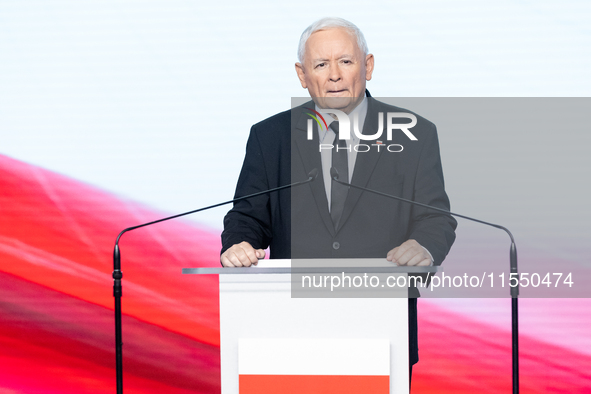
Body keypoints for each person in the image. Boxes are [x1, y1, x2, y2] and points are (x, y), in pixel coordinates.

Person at [221, 17, 456, 378]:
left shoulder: (415, 134)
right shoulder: (271, 137)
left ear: (369, 66)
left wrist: (423, 246)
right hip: (289, 329)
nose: (334, 75)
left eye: (345, 61)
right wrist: (238, 243)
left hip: (382, 325)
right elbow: (247, 218)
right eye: (320, 64)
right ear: (302, 75)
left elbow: (435, 217)